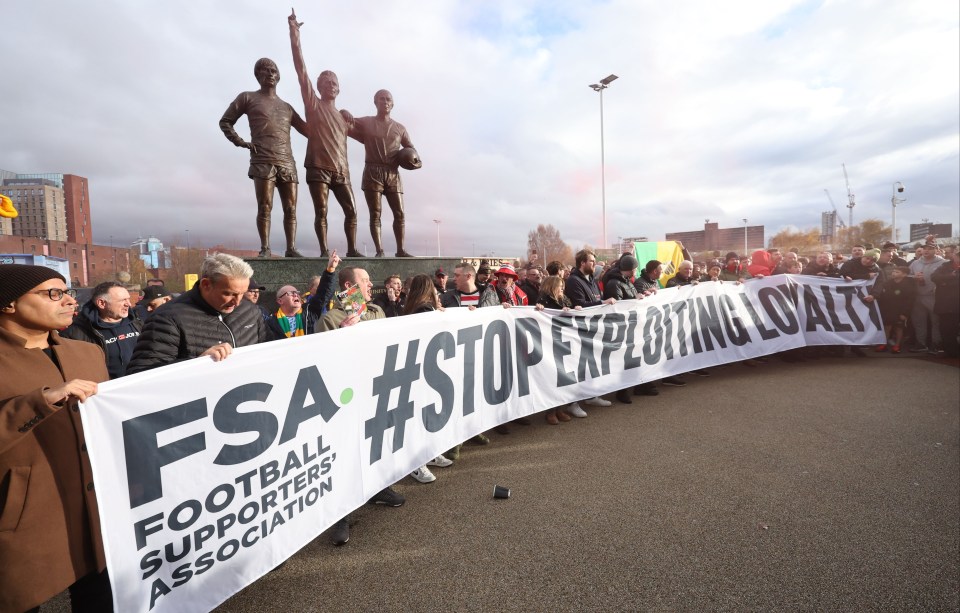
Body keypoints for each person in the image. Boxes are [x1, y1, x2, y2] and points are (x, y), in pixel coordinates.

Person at [0, 264, 112, 613]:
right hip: (24, 513)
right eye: (53, 293)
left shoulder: (87, 353)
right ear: (8, 304)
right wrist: (41, 400)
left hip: (96, 508)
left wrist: (194, 370)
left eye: (68, 292)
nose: (68, 301)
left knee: (103, 600)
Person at [316, 266, 406, 545]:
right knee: (346, 452)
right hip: (347, 399)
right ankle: (341, 513)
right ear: (348, 286)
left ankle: (378, 488)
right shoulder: (330, 320)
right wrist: (341, 337)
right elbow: (323, 363)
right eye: (364, 281)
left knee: (375, 444)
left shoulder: (376, 312)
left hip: (376, 392)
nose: (370, 285)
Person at [288, 10, 362, 257]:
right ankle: (322, 251)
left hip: (342, 171)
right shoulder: (313, 104)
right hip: (318, 168)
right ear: (318, 87)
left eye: (334, 83)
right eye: (326, 83)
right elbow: (301, 69)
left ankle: (352, 249)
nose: (330, 86)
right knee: (322, 211)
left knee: (351, 210)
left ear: (339, 88)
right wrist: (294, 33)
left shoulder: (343, 117)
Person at [220, 57, 307, 258]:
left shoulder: (287, 107)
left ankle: (291, 248)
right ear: (258, 75)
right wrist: (240, 141)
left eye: (274, 71)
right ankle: (265, 248)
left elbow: (308, 131)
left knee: (291, 208)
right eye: (265, 70)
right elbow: (225, 121)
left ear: (279, 76)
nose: (270, 74)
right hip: (263, 161)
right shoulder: (247, 97)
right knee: (265, 206)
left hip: (287, 161)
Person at [127, 254, 269, 374]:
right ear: (206, 285)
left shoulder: (250, 311)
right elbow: (140, 374)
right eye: (229, 294)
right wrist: (196, 364)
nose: (237, 302)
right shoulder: (166, 319)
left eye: (242, 294)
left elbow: (269, 353)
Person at [349, 89, 418, 257]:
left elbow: (411, 148)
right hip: (373, 171)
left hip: (392, 173)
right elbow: (347, 122)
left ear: (392, 104)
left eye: (388, 99)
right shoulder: (366, 122)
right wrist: (344, 112)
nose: (385, 102)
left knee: (399, 213)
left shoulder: (400, 128)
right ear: (375, 102)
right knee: (375, 213)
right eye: (381, 99)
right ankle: (379, 250)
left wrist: (415, 161)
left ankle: (400, 250)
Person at [401, 275, 454, 482]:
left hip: (426, 369)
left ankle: (428, 454)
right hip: (425, 369)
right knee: (421, 417)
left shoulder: (419, 307)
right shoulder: (424, 309)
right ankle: (417, 463)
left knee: (424, 416)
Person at [563, 249, 615, 415]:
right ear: (582, 263)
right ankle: (572, 402)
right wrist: (601, 302)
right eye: (591, 261)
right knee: (578, 365)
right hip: (579, 329)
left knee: (592, 362)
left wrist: (600, 302)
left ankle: (591, 395)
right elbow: (579, 305)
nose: (594, 263)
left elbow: (594, 299)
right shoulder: (573, 281)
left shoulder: (591, 279)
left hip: (593, 327)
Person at [61, 280, 142, 379]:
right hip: (105, 391)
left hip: (140, 385)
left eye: (128, 299)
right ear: (102, 303)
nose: (128, 304)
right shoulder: (75, 334)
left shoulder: (137, 323)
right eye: (122, 300)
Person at [908, 242, 945, 353]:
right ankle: (921, 344)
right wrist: (914, 277)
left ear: (936, 250)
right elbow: (906, 276)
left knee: (936, 321)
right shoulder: (915, 263)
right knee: (919, 321)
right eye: (924, 248)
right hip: (918, 296)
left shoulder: (943, 263)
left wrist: (940, 286)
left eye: (930, 248)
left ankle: (936, 344)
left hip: (934, 297)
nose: (926, 251)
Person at [874, 266, 917, 353]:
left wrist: (905, 313)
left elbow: (910, 300)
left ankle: (897, 345)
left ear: (904, 274)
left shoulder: (909, 285)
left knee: (899, 328)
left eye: (897, 272)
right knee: (887, 327)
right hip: (888, 309)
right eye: (893, 271)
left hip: (900, 310)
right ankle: (884, 344)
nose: (894, 273)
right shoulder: (888, 283)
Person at [931, 248, 959, 357]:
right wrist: (950, 276)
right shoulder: (945, 266)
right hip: (945, 305)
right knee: (946, 329)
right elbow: (934, 277)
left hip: (957, 304)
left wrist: (945, 283)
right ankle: (951, 351)